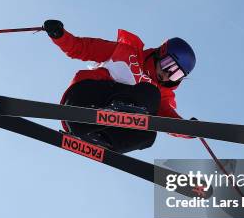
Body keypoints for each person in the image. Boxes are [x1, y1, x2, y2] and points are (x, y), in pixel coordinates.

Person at [44, 19, 196, 153]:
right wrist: (60, 35)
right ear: (159, 53)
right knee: (149, 92)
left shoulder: (161, 93)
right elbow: (81, 47)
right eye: (168, 65)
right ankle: (118, 108)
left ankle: (102, 140)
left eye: (176, 74)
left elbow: (168, 119)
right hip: (83, 102)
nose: (167, 75)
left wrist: (185, 129)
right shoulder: (124, 52)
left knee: (149, 134)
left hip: (89, 129)